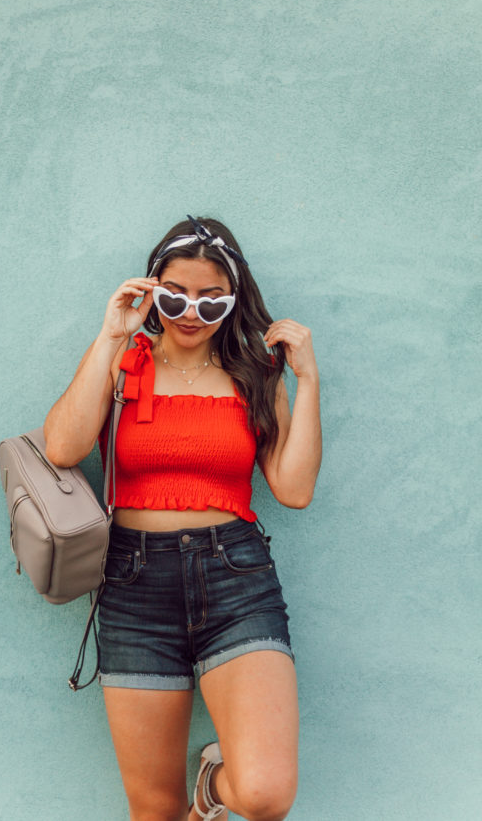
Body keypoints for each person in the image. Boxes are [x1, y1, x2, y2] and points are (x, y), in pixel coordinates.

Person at [43, 216, 322, 821]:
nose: (191, 312)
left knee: (265, 794)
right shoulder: (126, 362)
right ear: (152, 291)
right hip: (133, 586)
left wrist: (307, 379)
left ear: (233, 300)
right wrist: (109, 336)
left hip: (237, 580)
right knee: (154, 811)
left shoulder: (255, 374)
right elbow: (62, 447)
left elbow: (294, 489)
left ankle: (213, 787)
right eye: (174, 296)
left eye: (210, 300)